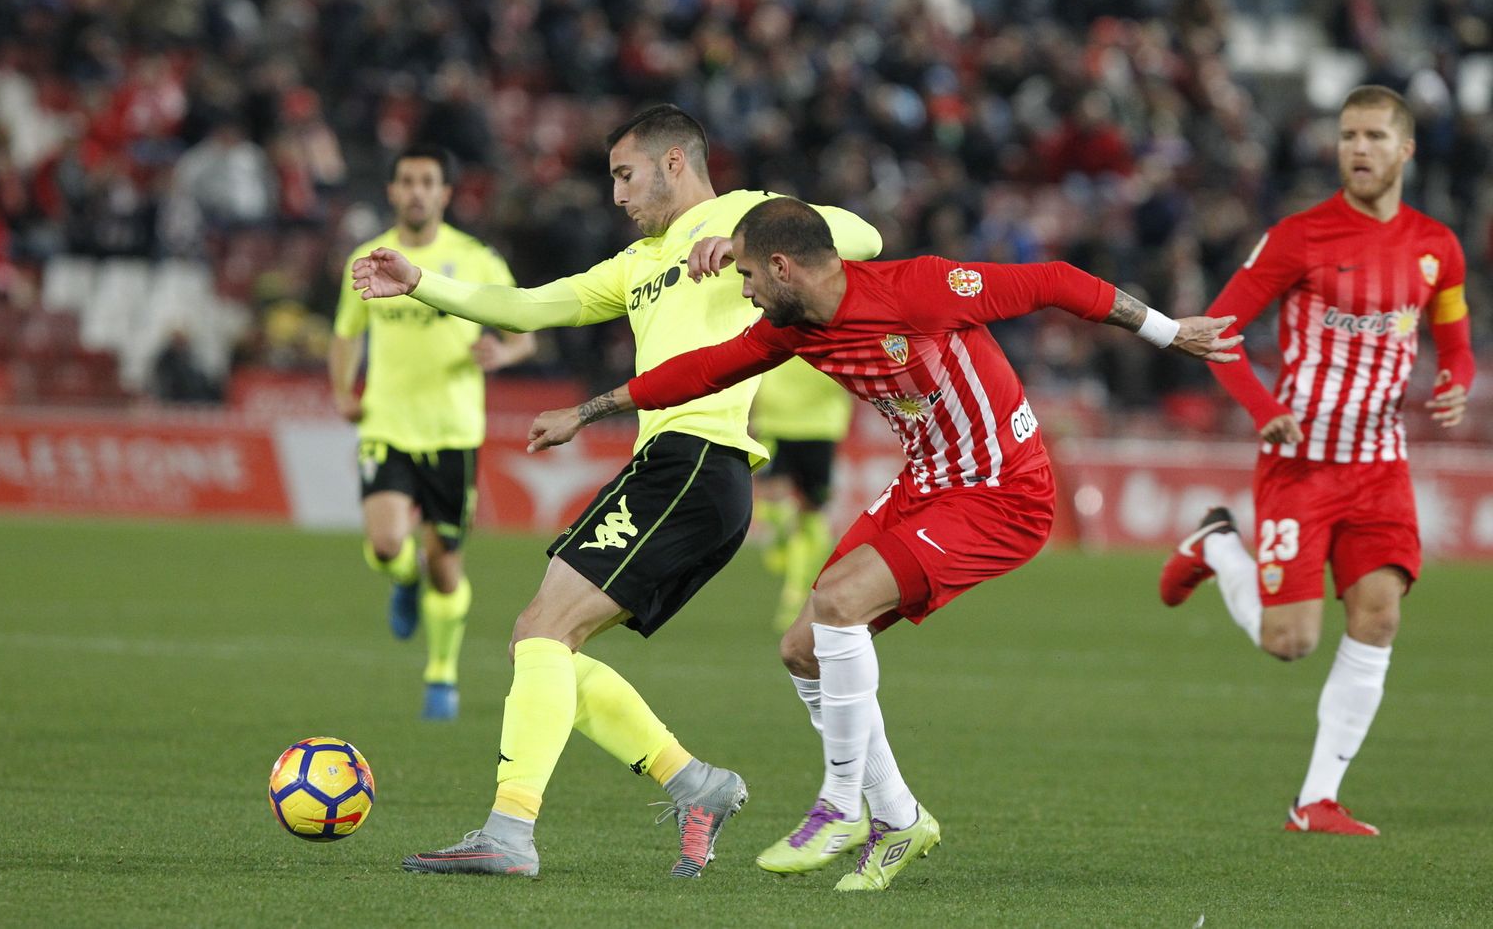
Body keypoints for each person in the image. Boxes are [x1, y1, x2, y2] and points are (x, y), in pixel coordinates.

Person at [526, 196, 1240, 891]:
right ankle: (897, 816)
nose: (740, 289)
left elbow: (1054, 280)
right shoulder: (794, 328)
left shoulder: (921, 288)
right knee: (801, 646)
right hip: (927, 483)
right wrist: (590, 411)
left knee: (839, 600)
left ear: (783, 268)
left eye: (746, 275)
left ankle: (840, 803)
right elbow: (702, 370)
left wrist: (1171, 331)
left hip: (1002, 491)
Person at [350, 105, 884, 879]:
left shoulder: (746, 213)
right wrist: (424, 282)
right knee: (541, 639)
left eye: (624, 175)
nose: (616, 196)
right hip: (671, 469)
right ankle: (693, 783)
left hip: (700, 459)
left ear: (675, 164)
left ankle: (511, 831)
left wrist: (743, 243)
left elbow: (859, 236)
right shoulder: (639, 264)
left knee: (542, 630)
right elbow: (533, 304)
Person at [1158, 85, 1474, 836]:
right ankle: (1217, 543)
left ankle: (1315, 800)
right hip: (1301, 464)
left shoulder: (1438, 246)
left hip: (1380, 464)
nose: (1357, 148)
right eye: (1346, 136)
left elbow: (1455, 340)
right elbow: (1214, 331)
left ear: (1406, 150)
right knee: (1289, 641)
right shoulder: (1299, 237)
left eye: (1372, 136)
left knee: (1380, 615)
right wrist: (1265, 410)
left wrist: (1457, 382)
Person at [329, 144, 535, 721]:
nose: (417, 191)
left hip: (452, 431)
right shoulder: (367, 260)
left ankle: (440, 674)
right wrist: (344, 390)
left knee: (447, 565)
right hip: (387, 424)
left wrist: (504, 350)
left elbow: (526, 328)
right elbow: (346, 333)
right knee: (387, 544)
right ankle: (402, 577)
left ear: (445, 194)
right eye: (407, 181)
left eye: (428, 182)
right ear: (393, 191)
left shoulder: (475, 259)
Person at [751, 356, 854, 631]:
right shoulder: (777, 319)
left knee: (811, 511)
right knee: (772, 497)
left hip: (820, 427)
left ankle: (795, 593)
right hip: (774, 424)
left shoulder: (832, 328)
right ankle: (781, 538)